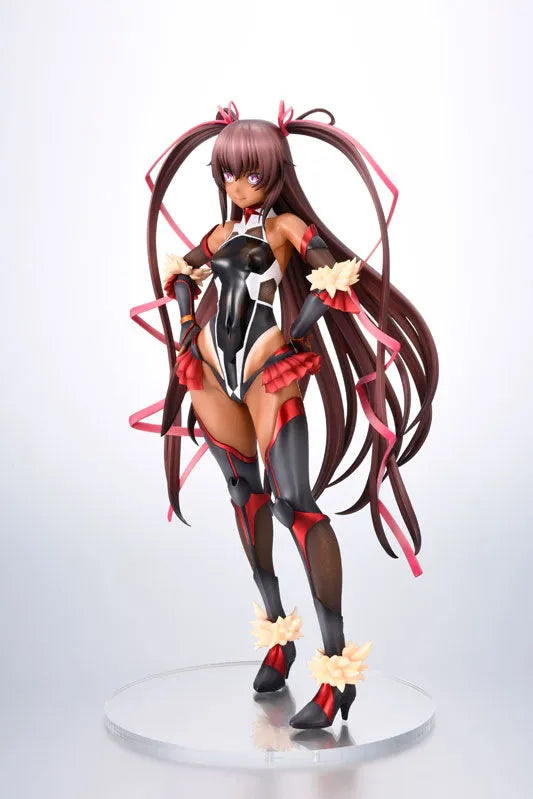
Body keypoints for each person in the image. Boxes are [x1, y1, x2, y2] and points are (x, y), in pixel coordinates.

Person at [132, 102, 439, 729]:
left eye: (249, 173)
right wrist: (188, 323)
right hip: (213, 367)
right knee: (243, 496)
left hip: (269, 365)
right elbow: (183, 272)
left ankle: (336, 673)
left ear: (274, 173)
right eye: (227, 173)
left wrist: (300, 329)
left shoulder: (285, 227)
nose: (237, 184)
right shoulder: (220, 234)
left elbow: (334, 277)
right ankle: (278, 640)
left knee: (293, 505)